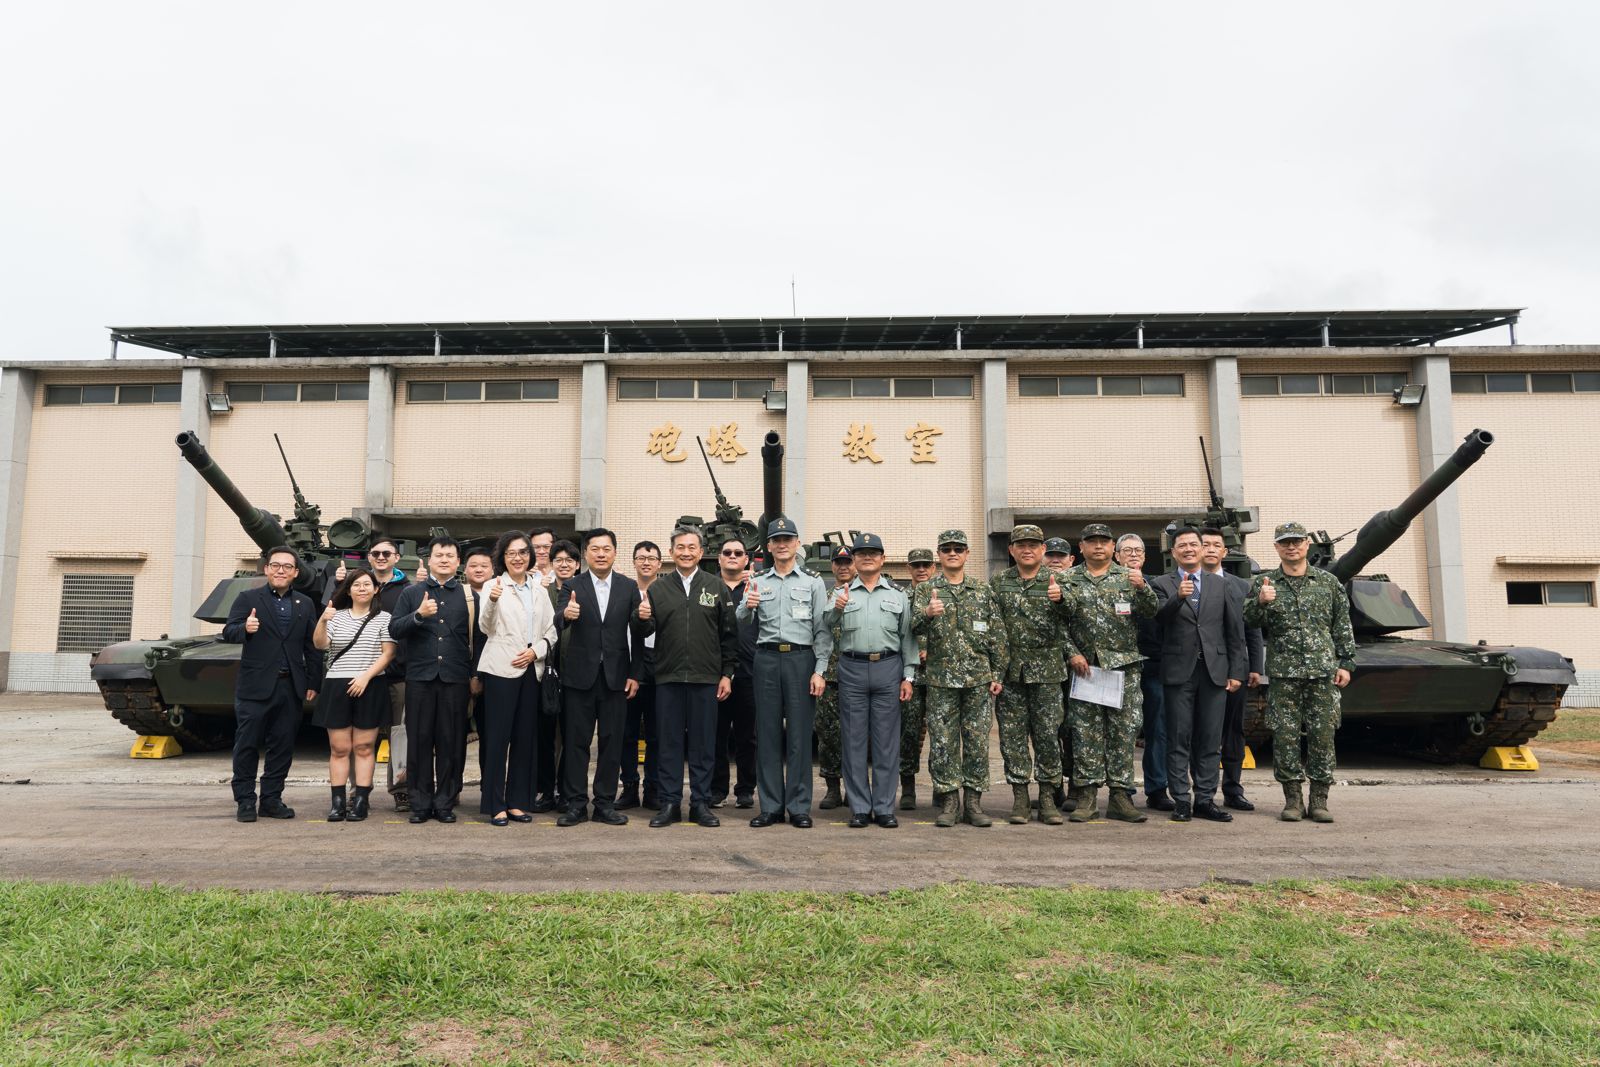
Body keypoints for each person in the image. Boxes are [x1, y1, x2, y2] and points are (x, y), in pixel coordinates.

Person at [1243, 521, 1356, 823]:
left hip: (1323, 672)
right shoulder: (1265, 583)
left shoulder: (1328, 583)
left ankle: (1319, 800)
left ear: (1307, 544)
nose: (1291, 547)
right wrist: (1260, 602)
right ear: (1276, 547)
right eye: (1285, 542)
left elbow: (1342, 624)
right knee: (1285, 736)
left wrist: (1346, 662)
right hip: (1284, 674)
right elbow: (1249, 621)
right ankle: (1292, 800)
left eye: (1296, 541)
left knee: (1323, 736)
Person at [636, 527, 738, 828]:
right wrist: (640, 618)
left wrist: (727, 674)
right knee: (668, 744)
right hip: (667, 678)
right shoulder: (658, 589)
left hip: (706, 679)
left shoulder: (715, 586)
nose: (686, 552)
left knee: (703, 744)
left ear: (701, 552)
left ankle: (700, 803)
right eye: (680, 547)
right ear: (671, 552)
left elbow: (729, 635)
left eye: (692, 547)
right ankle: (669, 803)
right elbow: (644, 632)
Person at [1059, 523, 1158, 823]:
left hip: (1123, 668)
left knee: (1123, 733)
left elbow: (1151, 611)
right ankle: (1087, 798)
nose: (1098, 546)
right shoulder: (1068, 579)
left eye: (1104, 541)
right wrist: (1072, 652)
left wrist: (1142, 588)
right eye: (1092, 541)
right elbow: (1056, 622)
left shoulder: (1128, 577)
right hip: (1086, 668)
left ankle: (1120, 797)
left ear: (1113, 547)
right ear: (1081, 547)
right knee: (1084, 733)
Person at [738, 517, 830, 828]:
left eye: (787, 539)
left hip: (801, 660)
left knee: (800, 736)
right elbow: (740, 620)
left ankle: (799, 806)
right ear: (768, 546)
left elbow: (822, 630)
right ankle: (771, 807)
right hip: (766, 659)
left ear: (797, 543)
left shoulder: (813, 582)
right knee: (767, 735)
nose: (782, 545)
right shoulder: (758, 581)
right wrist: (747, 606)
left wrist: (819, 670)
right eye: (776, 540)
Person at [912, 529, 1006, 828]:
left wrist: (997, 673)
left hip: (978, 680)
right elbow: (910, 628)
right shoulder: (926, 590)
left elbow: (997, 634)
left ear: (967, 554)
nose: (952, 553)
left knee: (977, 742)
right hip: (940, 681)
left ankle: (974, 803)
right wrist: (927, 613)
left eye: (958, 549)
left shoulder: (982, 590)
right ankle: (950, 801)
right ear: (939, 555)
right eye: (947, 549)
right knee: (943, 743)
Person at [1152, 528, 1247, 822]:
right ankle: (1182, 800)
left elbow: (1234, 631)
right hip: (1178, 673)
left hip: (1214, 672)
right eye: (1182, 545)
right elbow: (1158, 620)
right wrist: (1177, 598)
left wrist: (1236, 671)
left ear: (1202, 549)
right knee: (1178, 738)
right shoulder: (1161, 584)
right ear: (1174, 552)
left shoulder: (1221, 585)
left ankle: (1205, 799)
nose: (1189, 549)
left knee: (1209, 738)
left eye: (1194, 544)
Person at [221, 546, 321, 822]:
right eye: (275, 565)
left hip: (290, 686)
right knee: (247, 744)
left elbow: (311, 645)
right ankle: (245, 800)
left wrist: (314, 680)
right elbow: (228, 631)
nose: (280, 570)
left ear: (296, 573)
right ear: (266, 569)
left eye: (287, 567)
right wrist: (245, 629)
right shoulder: (248, 598)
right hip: (255, 686)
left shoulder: (304, 603)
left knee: (282, 746)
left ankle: (271, 799)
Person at [556, 529, 645, 827]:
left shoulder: (628, 587)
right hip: (579, 677)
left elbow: (638, 634)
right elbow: (556, 620)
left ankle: (605, 803)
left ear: (615, 553)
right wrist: (566, 614)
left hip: (616, 678)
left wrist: (635, 673)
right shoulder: (572, 585)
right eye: (595, 549)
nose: (601, 554)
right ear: (586, 554)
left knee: (611, 743)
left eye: (606, 548)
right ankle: (576, 804)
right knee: (576, 743)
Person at [389, 536, 480, 824]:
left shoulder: (468, 596)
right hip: (420, 678)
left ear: (458, 562)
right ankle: (419, 803)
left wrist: (474, 675)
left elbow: (478, 639)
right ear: (430, 560)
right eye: (439, 555)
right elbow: (394, 629)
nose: (444, 560)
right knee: (419, 741)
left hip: (455, 678)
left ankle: (445, 803)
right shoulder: (411, 593)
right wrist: (418, 615)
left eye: (450, 556)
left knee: (451, 742)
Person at [827, 532, 915, 829]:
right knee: (853, 741)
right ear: (853, 560)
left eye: (873, 553)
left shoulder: (897, 595)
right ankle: (860, 808)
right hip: (852, 668)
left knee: (886, 742)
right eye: (861, 553)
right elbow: (825, 625)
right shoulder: (841, 593)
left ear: (882, 558)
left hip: (888, 668)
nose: (867, 557)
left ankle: (884, 807)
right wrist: (837, 607)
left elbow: (908, 638)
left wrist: (908, 675)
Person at [990, 524, 1071, 825]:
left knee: (1048, 737)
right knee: (1012, 739)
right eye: (1021, 545)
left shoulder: (1059, 580)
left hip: (1047, 674)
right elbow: (992, 627)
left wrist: (1061, 599)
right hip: (1011, 674)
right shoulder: (999, 582)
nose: (1027, 550)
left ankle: (1048, 798)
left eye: (1033, 545)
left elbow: (1074, 613)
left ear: (1042, 550)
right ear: (1011, 550)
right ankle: (1020, 798)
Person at [477, 531, 557, 826]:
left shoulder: (539, 589)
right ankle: (495, 803)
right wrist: (492, 601)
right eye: (511, 553)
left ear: (530, 556)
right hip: (501, 669)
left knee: (525, 739)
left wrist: (536, 652)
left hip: (531, 670)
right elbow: (486, 627)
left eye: (523, 552)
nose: (518, 557)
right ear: (503, 557)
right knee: (498, 739)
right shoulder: (493, 586)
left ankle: (517, 802)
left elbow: (551, 630)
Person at [311, 568, 395, 822]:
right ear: (348, 590)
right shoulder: (336, 616)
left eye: (367, 584)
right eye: (356, 585)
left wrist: (365, 677)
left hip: (370, 684)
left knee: (364, 747)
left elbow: (388, 653)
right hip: (337, 685)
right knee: (339, 748)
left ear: (376, 589)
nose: (362, 589)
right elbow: (320, 644)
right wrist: (323, 620)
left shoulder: (384, 618)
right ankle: (337, 802)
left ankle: (361, 800)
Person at [336, 540, 412, 811]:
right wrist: (338, 584)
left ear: (396, 557)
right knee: (357, 738)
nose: (381, 557)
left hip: (396, 673)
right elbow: (334, 614)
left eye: (386, 553)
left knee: (400, 735)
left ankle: (402, 789)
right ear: (369, 557)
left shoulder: (408, 590)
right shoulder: (356, 584)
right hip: (359, 675)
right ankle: (357, 791)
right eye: (376, 553)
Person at [1200, 527, 1266, 811]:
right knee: (1203, 731)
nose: (1211, 549)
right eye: (1205, 544)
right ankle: (1202, 793)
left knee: (1233, 731)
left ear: (1224, 552)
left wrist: (1255, 666)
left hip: (1236, 667)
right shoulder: (1190, 583)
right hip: (1202, 669)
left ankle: (1233, 790)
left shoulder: (1241, 586)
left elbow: (1252, 628)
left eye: (1216, 545)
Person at [1116, 534, 1172, 812]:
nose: (1134, 554)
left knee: (1157, 730)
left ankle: (1158, 788)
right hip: (1119, 668)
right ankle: (1123, 789)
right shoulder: (1109, 585)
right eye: (1127, 550)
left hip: (1153, 666)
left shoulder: (1157, 585)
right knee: (1122, 731)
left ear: (1145, 556)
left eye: (1138, 550)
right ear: (1117, 556)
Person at [534, 538, 582, 811]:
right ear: (551, 564)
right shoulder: (542, 592)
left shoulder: (584, 590)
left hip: (576, 674)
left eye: (569, 560)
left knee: (571, 736)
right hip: (547, 672)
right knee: (545, 735)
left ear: (577, 564)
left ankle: (566, 791)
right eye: (559, 560)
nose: (564, 565)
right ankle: (545, 790)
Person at [715, 539, 759, 809]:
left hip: (749, 672)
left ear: (746, 560)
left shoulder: (756, 586)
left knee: (748, 737)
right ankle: (717, 789)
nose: (732, 556)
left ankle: (745, 789)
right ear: (719, 558)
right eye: (727, 552)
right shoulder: (709, 587)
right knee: (715, 735)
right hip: (716, 672)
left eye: (738, 553)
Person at [619, 540, 662, 809]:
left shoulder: (667, 591)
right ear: (634, 562)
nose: (646, 562)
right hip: (629, 667)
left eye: (651, 558)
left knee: (657, 734)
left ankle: (653, 788)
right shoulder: (625, 591)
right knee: (627, 733)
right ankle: (629, 787)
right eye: (641, 558)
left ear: (659, 563)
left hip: (660, 666)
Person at [815, 546, 854, 810]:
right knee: (828, 733)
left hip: (857, 674)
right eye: (838, 562)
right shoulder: (823, 597)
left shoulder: (863, 594)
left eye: (847, 562)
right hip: (828, 675)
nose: (843, 567)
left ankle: (854, 787)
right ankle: (832, 788)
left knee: (857, 735)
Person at [898, 547, 936, 810]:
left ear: (933, 567)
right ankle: (908, 788)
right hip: (909, 676)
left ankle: (940, 788)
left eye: (926, 565)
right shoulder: (901, 597)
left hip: (938, 675)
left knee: (941, 735)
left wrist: (931, 649)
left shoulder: (941, 593)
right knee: (908, 733)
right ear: (909, 568)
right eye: (916, 565)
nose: (921, 569)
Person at [1044, 536, 1077, 813]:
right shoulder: (1036, 584)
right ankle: (1054, 791)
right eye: (1051, 555)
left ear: (1071, 560)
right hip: (1047, 669)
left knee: (1077, 730)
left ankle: (1077, 789)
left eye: (1061, 556)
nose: (1055, 560)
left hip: (1078, 669)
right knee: (1049, 732)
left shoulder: (1080, 584)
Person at [460, 546, 494, 792]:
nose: (479, 569)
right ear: (465, 569)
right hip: (459, 675)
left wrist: (478, 675)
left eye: (484, 565)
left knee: (489, 734)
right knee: (454, 736)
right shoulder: (457, 594)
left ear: (493, 569)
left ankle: (488, 787)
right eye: (473, 565)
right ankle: (452, 789)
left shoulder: (500, 593)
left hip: (490, 675)